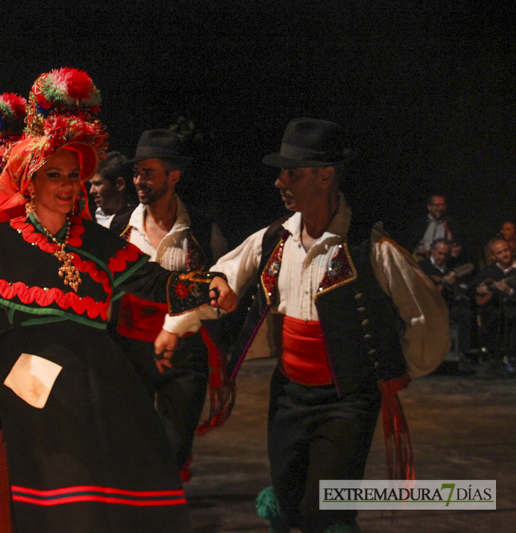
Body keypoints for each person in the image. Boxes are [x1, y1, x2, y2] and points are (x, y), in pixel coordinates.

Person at [0, 68, 234, 533]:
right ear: (30, 179)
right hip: (25, 401)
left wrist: (209, 286)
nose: (68, 186)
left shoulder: (96, 242)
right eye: (55, 175)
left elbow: (155, 282)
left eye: (75, 176)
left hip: (96, 397)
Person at [158, 117, 449, 532]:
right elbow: (222, 272)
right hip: (289, 396)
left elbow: (426, 312)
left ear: (325, 175)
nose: (279, 182)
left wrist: (404, 365)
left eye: (291, 173)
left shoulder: (369, 246)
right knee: (288, 498)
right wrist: (177, 322)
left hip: (347, 399)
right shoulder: (274, 238)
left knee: (325, 511)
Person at [114, 129, 228, 475]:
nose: (139, 180)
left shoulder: (201, 230)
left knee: (174, 450)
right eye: (136, 173)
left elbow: (220, 289)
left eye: (148, 172)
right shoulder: (121, 228)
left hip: (184, 352)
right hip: (130, 350)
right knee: (129, 445)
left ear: (173, 176)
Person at [418, 237, 475, 365]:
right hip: (426, 306)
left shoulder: (453, 267)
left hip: (448, 306)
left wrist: (454, 284)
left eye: (446, 254)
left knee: (465, 312)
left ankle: (461, 353)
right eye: (440, 253)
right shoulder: (422, 266)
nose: (442, 257)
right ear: (432, 251)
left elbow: (462, 290)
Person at [470, 236, 516, 375]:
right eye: (500, 252)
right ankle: (491, 357)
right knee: (489, 316)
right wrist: (478, 289)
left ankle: (511, 358)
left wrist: (510, 291)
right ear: (494, 256)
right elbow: (469, 288)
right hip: (493, 310)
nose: (504, 254)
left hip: (513, 308)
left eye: (506, 250)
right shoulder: (488, 271)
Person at [88, 151, 135, 235]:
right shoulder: (87, 215)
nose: (91, 191)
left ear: (119, 184)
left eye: (98, 184)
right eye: (91, 184)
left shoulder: (135, 219)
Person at [409, 193, 453, 260]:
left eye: (443, 205)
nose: (441, 208)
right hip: (422, 259)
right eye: (437, 205)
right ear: (429, 207)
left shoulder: (450, 224)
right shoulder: (420, 223)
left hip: (442, 260)